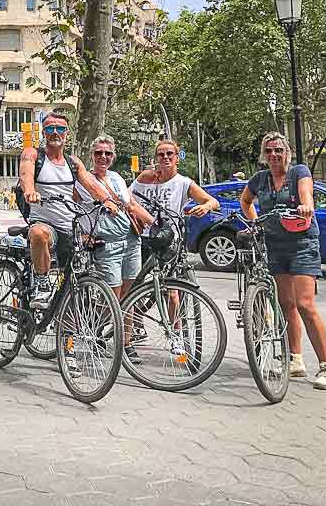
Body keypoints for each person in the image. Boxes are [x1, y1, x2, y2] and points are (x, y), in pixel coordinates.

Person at [240, 131, 326, 390]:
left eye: (278, 151)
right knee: (286, 304)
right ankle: (295, 359)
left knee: (305, 304)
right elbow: (245, 201)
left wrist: (306, 206)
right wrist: (253, 224)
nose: (274, 155)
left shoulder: (299, 173)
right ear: (264, 155)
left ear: (287, 153)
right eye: (269, 151)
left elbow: (307, 195)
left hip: (302, 243)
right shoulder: (260, 179)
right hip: (274, 245)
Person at [19, 111, 121, 310]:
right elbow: (26, 174)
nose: (55, 133)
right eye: (50, 128)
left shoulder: (73, 163)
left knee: (73, 282)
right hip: (45, 223)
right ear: (43, 132)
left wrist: (107, 200)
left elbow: (91, 185)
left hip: (70, 228)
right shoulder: (33, 154)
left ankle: (68, 328)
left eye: (60, 129)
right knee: (39, 234)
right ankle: (41, 283)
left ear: (67, 133)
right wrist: (30, 191)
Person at [130, 139, 220, 355]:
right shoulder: (144, 178)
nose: (165, 158)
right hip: (142, 237)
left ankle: (175, 335)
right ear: (155, 159)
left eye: (170, 154)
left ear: (177, 157)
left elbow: (212, 201)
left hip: (169, 241)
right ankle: (130, 329)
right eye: (161, 154)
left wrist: (204, 207)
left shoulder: (183, 183)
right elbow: (126, 198)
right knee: (131, 287)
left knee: (172, 292)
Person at [76, 135, 154, 364]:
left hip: (131, 240)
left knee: (129, 297)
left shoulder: (117, 178)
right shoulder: (84, 180)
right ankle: (93, 329)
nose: (103, 157)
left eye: (107, 153)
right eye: (98, 153)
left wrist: (155, 223)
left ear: (113, 156)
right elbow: (73, 210)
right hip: (107, 243)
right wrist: (82, 233)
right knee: (113, 298)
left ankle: (126, 343)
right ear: (91, 155)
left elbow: (131, 205)